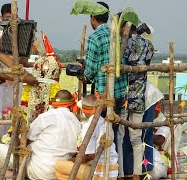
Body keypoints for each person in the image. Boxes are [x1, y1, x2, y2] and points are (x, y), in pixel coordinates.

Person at [0, 90, 81, 179]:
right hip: (59, 172)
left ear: (54, 104)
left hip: (39, 169)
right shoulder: (77, 122)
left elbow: (26, 140)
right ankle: (8, 174)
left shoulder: (46, 116)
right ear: (70, 105)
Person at [80, 2, 127, 178]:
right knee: (115, 135)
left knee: (101, 135)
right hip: (119, 93)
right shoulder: (117, 35)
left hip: (103, 93)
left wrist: (82, 73)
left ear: (93, 18)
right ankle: (118, 172)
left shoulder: (94, 38)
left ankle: (102, 172)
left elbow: (90, 72)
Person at [55, 94, 118, 180]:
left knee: (59, 166)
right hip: (113, 172)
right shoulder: (105, 121)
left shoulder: (89, 126)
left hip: (101, 174)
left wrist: (70, 160)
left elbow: (89, 156)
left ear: (84, 110)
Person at [121, 20, 154, 179]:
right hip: (139, 95)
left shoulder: (125, 44)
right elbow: (147, 63)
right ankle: (136, 174)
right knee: (136, 137)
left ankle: (120, 174)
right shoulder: (149, 46)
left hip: (123, 93)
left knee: (119, 135)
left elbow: (122, 62)